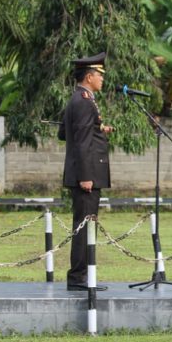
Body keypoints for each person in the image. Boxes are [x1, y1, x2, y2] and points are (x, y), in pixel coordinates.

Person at [59, 52, 114, 291]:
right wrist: (85, 176)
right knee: (84, 226)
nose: (102, 79)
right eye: (99, 75)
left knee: (86, 224)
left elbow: (65, 133)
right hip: (86, 176)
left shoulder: (80, 99)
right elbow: (81, 142)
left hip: (87, 173)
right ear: (89, 76)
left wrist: (99, 128)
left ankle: (83, 275)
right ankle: (79, 277)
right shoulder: (83, 100)